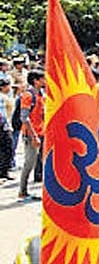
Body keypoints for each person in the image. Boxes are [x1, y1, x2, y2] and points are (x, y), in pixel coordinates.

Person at [18, 69, 45, 202]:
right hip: (31, 134)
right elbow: (24, 117)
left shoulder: (40, 94)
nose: (45, 81)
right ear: (36, 80)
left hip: (40, 132)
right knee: (29, 163)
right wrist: (34, 136)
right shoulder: (28, 95)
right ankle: (22, 191)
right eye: (42, 79)